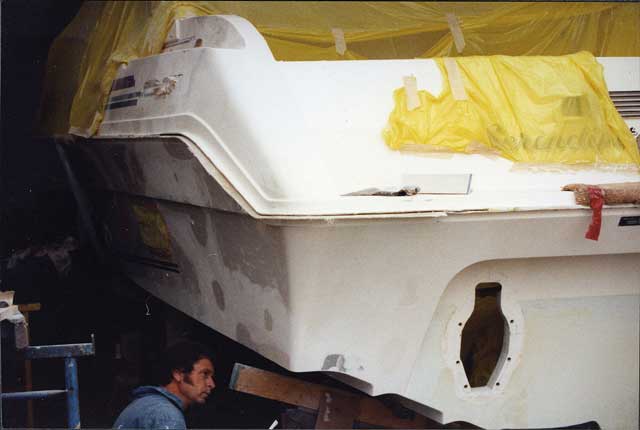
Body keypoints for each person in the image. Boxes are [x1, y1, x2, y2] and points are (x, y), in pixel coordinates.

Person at [114, 341, 216, 429]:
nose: (212, 384)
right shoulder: (166, 415)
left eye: (212, 377)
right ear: (178, 374)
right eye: (205, 374)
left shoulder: (150, 403)